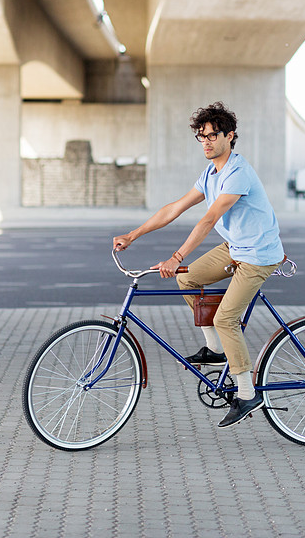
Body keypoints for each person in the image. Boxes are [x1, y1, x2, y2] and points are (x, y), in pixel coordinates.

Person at [112, 101, 284, 428]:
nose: (206, 141)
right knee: (186, 280)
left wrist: (176, 256)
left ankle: (248, 393)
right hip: (236, 248)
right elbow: (174, 208)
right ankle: (216, 351)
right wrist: (133, 235)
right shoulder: (210, 173)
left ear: (230, 137)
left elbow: (209, 219)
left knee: (226, 319)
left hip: (258, 254)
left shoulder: (237, 172)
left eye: (212, 135)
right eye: (201, 136)